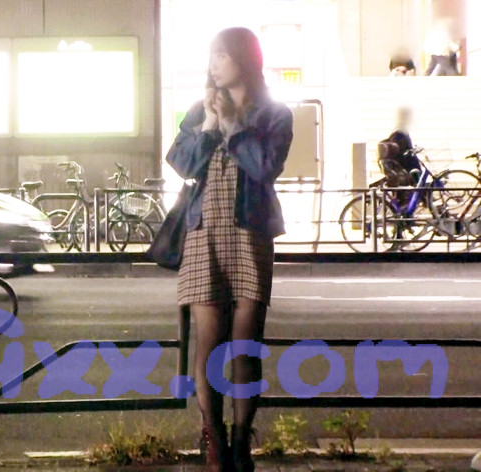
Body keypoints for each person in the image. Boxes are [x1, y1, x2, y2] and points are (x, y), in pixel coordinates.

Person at [165, 27, 293, 472]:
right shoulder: (201, 108)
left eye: (221, 55)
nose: (214, 64)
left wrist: (234, 127)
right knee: (209, 344)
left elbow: (265, 167)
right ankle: (214, 438)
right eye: (211, 57)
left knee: (245, 346)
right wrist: (208, 126)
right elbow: (180, 162)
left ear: (245, 59)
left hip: (249, 233)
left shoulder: (274, 114)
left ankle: (241, 440)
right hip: (202, 233)